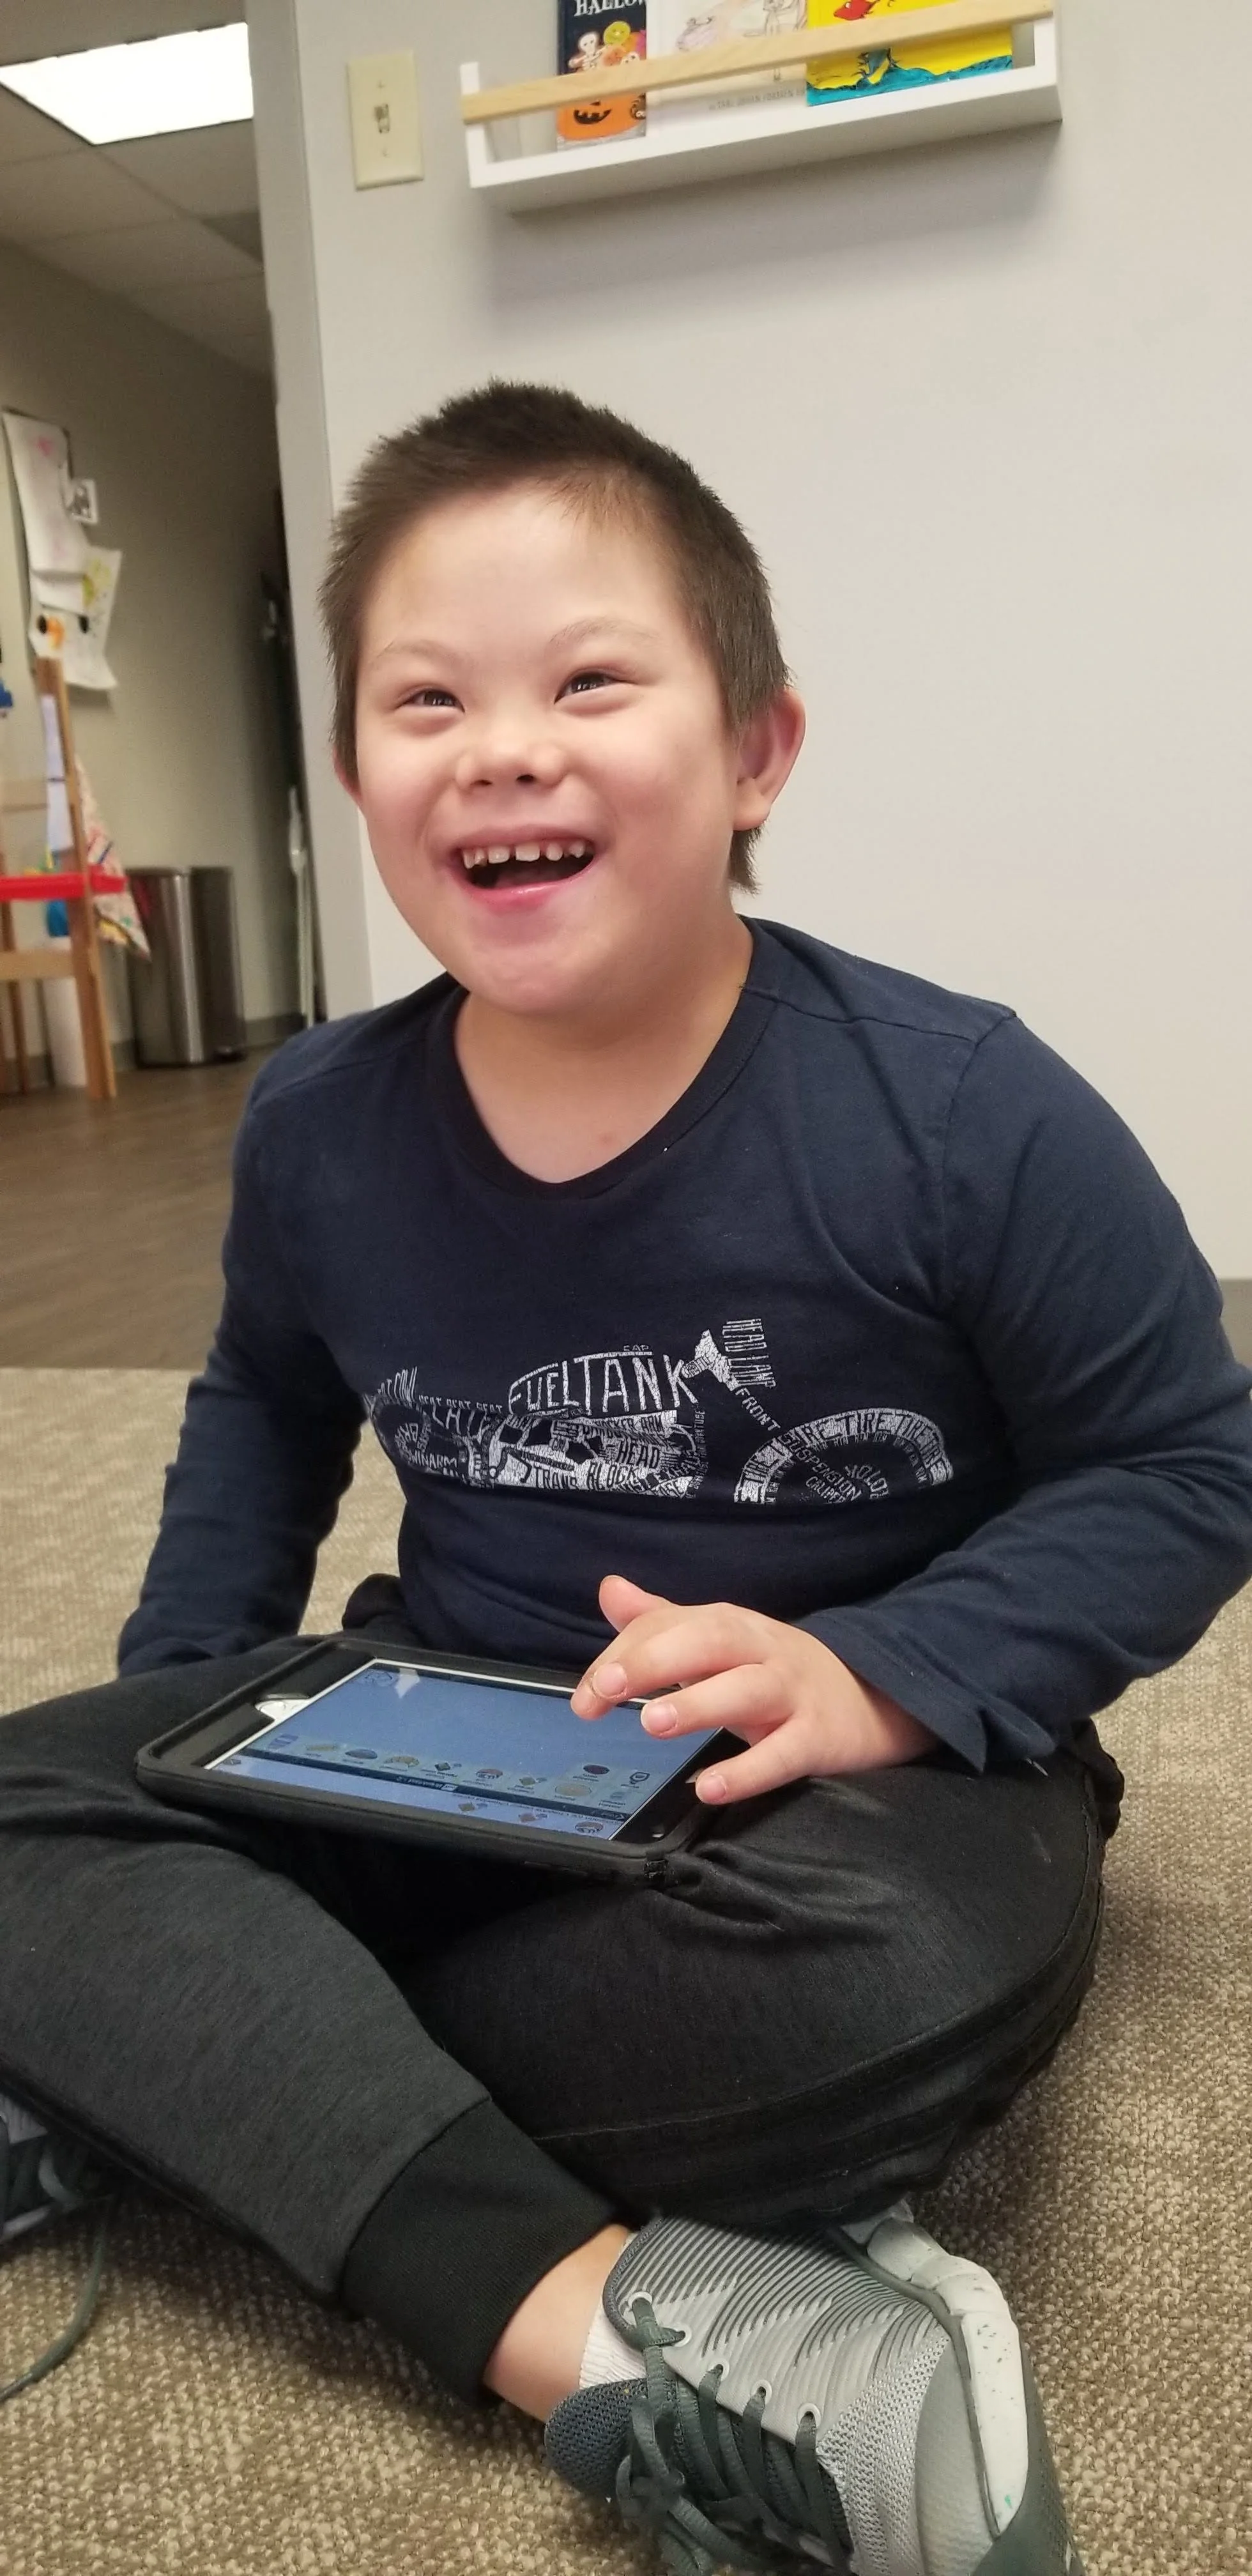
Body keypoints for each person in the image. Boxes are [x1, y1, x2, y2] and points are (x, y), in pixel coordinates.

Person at [3, 383, 1251, 2574]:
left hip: (831, 1804)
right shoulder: (319, 1123)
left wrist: (878, 1675)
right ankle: (611, 2319)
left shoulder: (961, 1108)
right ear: (357, 776)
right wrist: (185, 1742)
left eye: (590, 681)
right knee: (35, 1811)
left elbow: (1188, 1459)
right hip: (437, 1736)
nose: (504, 748)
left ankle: (195, 2071)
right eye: (426, 700)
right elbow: (262, 1413)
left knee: (873, 1991)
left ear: (759, 750)